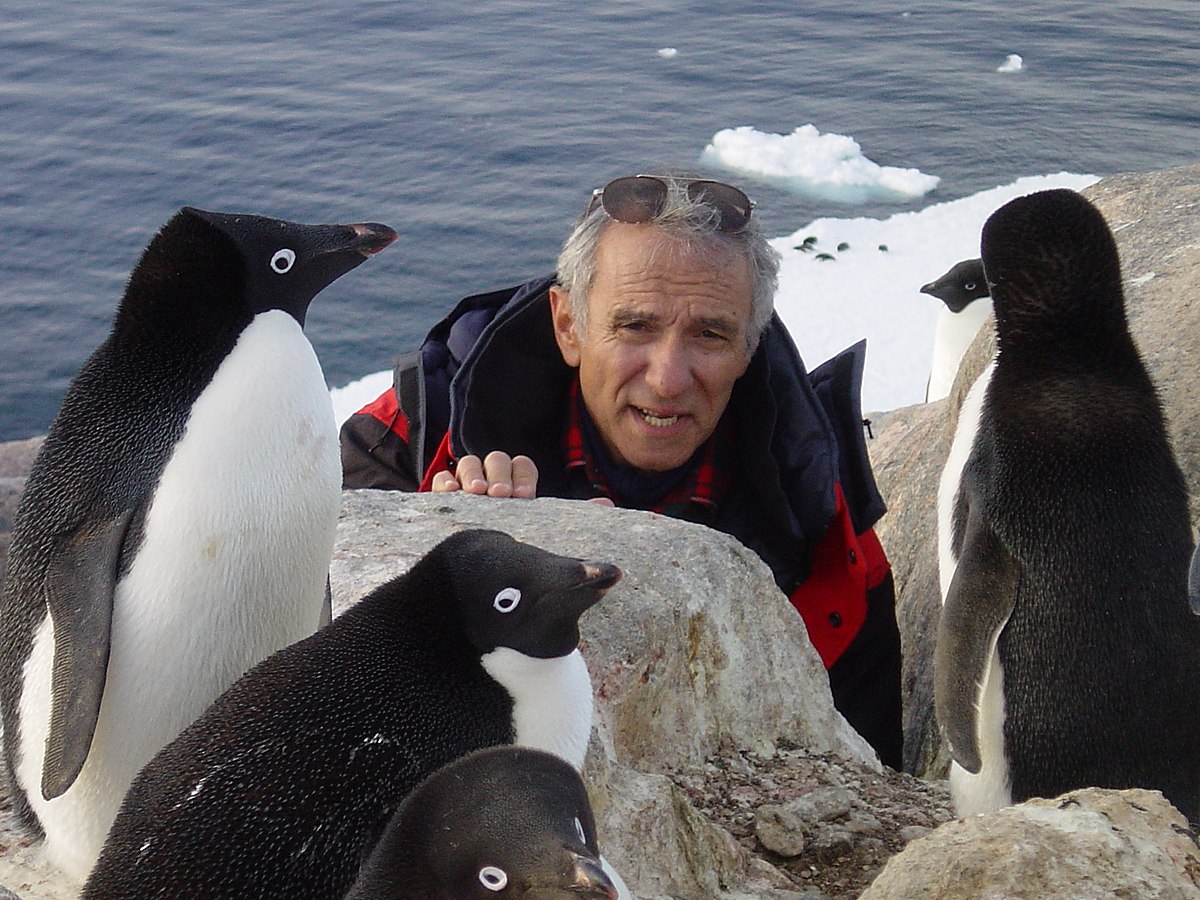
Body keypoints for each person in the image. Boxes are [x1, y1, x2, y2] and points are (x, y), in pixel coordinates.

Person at [340, 173, 903, 768]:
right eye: (636, 327)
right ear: (569, 327)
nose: (668, 379)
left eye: (710, 335)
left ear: (749, 349)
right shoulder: (411, 436)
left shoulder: (818, 518)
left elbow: (863, 767)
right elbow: (306, 686)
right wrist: (442, 557)